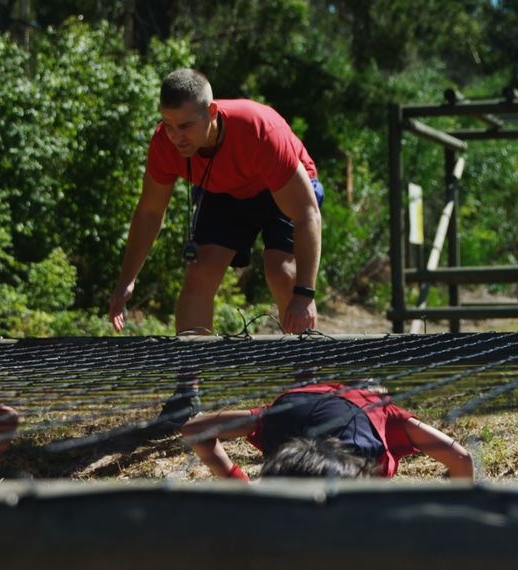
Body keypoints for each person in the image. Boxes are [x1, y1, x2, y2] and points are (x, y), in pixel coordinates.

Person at [109, 68, 324, 336]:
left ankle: (303, 374)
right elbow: (150, 212)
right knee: (199, 275)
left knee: (282, 273)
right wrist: (126, 281)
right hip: (224, 190)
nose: (176, 137)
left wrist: (304, 295)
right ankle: (189, 375)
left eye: (186, 126)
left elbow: (306, 213)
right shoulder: (165, 143)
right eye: (169, 125)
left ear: (211, 112)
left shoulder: (259, 131)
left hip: (280, 188)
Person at [181, 382, 474, 481]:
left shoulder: (292, 401)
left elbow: (196, 428)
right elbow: (461, 459)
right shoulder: (382, 407)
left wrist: (237, 482)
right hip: (354, 484)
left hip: (287, 481)